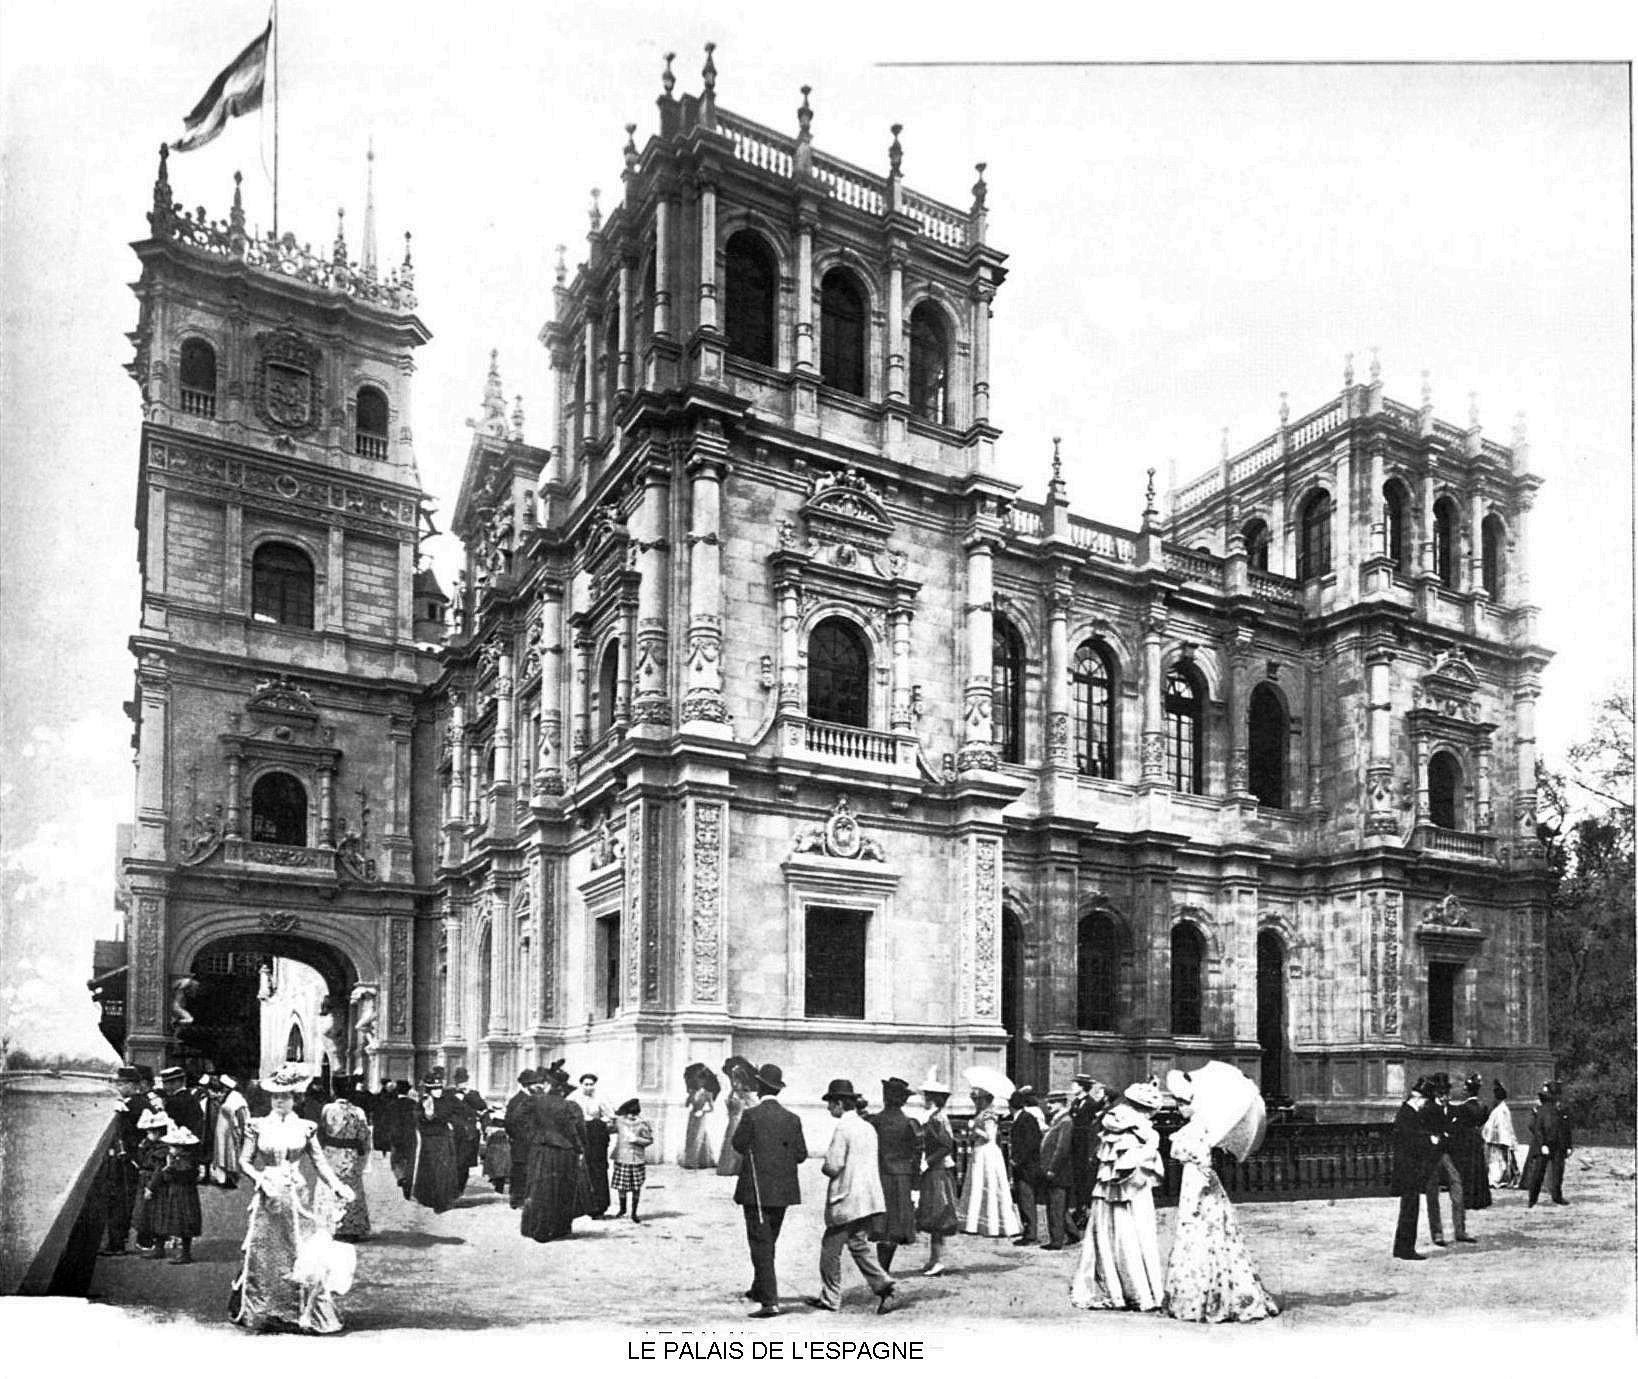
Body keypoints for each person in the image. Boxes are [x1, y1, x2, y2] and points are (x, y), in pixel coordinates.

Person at [231, 1063, 357, 1334]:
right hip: (268, 1196)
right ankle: (264, 1310)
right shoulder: (258, 1125)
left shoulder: (306, 1127)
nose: (280, 1101)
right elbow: (244, 1160)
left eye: (286, 1096)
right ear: (270, 1098)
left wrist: (338, 1186)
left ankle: (302, 1312)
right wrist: (260, 1178)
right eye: (276, 1096)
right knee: (266, 1251)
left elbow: (320, 1162)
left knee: (301, 1252)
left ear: (295, 1099)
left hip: (296, 1194)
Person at [1160, 1065, 1279, 1323]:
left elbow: (1202, 1164)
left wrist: (1195, 1199)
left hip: (1198, 1186)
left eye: (1182, 1103)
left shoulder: (1198, 1127)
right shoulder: (1200, 1125)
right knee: (1208, 1236)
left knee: (1203, 1235)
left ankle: (1207, 1298)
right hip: (1197, 1183)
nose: (1180, 1108)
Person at [1070, 1080, 1166, 1312]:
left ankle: (1119, 1289)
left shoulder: (1113, 1123)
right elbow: (1144, 1171)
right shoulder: (1146, 1134)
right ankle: (1141, 1291)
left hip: (1108, 1191)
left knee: (1108, 1234)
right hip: (1134, 1194)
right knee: (1134, 1235)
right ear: (1147, 1110)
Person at [809, 1078, 897, 1315]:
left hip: (846, 1197)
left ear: (839, 1104)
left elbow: (833, 1166)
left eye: (830, 1103)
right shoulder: (867, 1127)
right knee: (859, 1244)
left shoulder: (843, 1129)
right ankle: (884, 1286)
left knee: (830, 1248)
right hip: (867, 1198)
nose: (829, 1108)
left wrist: (825, 1166)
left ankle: (830, 1297)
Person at [734, 1063, 806, 1318]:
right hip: (783, 1193)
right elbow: (801, 1155)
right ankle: (759, 1287)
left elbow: (738, 1144)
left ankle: (770, 1302)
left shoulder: (751, 1115)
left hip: (756, 1190)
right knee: (768, 1240)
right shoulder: (792, 1119)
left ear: (759, 1087)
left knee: (760, 1243)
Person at [520, 1065, 588, 1241]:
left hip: (540, 1150)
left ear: (548, 1085)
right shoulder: (570, 1106)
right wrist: (580, 1149)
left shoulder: (534, 1101)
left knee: (539, 1189)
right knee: (563, 1189)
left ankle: (536, 1229)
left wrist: (532, 1136)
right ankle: (560, 1228)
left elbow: (517, 1119)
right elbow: (578, 1131)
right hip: (564, 1152)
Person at [866, 1075, 923, 1272]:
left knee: (882, 1225)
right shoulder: (910, 1124)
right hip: (901, 1179)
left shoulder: (874, 1122)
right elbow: (916, 1157)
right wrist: (916, 1186)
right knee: (895, 1227)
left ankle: (882, 1271)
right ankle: (884, 1269)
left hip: (880, 1177)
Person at [960, 1083, 1020, 1238]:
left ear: (986, 1100)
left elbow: (989, 1136)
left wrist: (975, 1128)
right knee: (977, 1184)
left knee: (989, 1184)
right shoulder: (980, 1113)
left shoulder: (989, 1115)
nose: (977, 1102)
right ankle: (973, 1223)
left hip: (988, 1152)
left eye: (979, 1100)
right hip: (979, 1151)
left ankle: (993, 1224)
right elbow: (975, 1137)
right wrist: (972, 1133)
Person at [914, 1074, 960, 1276]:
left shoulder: (936, 1119)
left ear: (931, 1098)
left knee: (937, 1214)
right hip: (938, 1171)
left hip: (937, 1172)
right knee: (935, 1215)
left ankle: (938, 1259)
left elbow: (945, 1145)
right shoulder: (938, 1117)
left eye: (926, 1097)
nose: (924, 1100)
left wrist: (927, 1161)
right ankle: (934, 1258)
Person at [316, 1077, 372, 1241]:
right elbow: (364, 1135)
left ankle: (330, 1225)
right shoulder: (358, 1111)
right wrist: (363, 1153)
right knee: (352, 1186)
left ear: (334, 1090)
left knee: (330, 1186)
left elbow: (322, 1131)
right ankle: (352, 1227)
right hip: (351, 1153)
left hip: (331, 1152)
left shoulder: (327, 1109)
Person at [1422, 1074, 1474, 1245]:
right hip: (1431, 1156)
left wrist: (1443, 1135)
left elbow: (1458, 1133)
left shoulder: (1455, 1111)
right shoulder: (1427, 1111)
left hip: (1450, 1155)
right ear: (1435, 1094)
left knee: (1457, 1190)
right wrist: (1442, 1135)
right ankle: (1437, 1233)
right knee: (1432, 1195)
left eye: (1446, 1093)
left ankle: (1460, 1231)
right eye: (1441, 1094)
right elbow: (1424, 1133)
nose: (1444, 1097)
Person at [1391, 1078, 1440, 1259]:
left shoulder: (1406, 1112)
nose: (1425, 1106)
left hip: (1408, 1168)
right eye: (1426, 1102)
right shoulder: (1408, 1114)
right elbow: (1410, 1140)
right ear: (1419, 1099)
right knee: (1410, 1209)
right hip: (1408, 1169)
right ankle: (1405, 1249)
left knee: (1409, 1208)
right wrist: (1429, 1140)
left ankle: (1401, 1248)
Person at [100, 1068, 147, 1256]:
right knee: (122, 1200)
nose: (118, 1087)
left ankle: (117, 1243)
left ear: (133, 1085)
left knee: (121, 1201)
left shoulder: (136, 1106)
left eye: (122, 1083)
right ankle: (121, 1239)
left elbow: (140, 1135)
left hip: (129, 1159)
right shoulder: (137, 1104)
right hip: (127, 1158)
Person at [144, 1123, 204, 1265]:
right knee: (178, 1221)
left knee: (183, 1222)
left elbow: (172, 1173)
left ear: (180, 1147)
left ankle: (185, 1253)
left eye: (172, 1146)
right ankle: (179, 1251)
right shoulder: (184, 1159)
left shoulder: (185, 1161)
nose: (169, 1149)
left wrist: (168, 1167)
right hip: (180, 1193)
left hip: (183, 1194)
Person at [409, 1072, 460, 1212]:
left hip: (444, 1139)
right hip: (430, 1140)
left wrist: (448, 1122)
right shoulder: (423, 1103)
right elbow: (418, 1119)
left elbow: (453, 1114)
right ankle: (429, 1197)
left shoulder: (446, 1101)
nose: (438, 1091)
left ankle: (443, 1199)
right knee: (430, 1169)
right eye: (435, 1088)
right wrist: (427, 1115)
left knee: (444, 1169)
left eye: (439, 1088)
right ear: (429, 1089)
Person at [1038, 1091, 1083, 1251]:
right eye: (1049, 1102)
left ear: (1062, 1104)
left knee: (1056, 1206)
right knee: (1059, 1207)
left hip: (1059, 1171)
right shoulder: (1059, 1120)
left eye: (1053, 1102)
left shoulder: (1065, 1121)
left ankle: (1056, 1241)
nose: (1049, 1105)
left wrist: (1052, 1169)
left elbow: (1061, 1148)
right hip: (1057, 1170)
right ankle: (1073, 1234)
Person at [128, 1108, 172, 1257]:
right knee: (147, 1213)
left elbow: (159, 1170)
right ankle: (150, 1243)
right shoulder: (152, 1146)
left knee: (156, 1214)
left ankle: (157, 1245)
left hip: (153, 1183)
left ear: (158, 1132)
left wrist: (150, 1187)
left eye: (150, 1132)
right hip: (146, 1179)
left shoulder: (163, 1149)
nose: (147, 1134)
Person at [569, 1072, 614, 1218]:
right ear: (581, 1084)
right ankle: (578, 1207)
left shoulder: (601, 1097)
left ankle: (599, 1207)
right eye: (586, 1084)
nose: (589, 1087)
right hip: (579, 1138)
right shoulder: (573, 1097)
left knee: (597, 1171)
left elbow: (611, 1117)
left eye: (591, 1084)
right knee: (580, 1171)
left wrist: (599, 1121)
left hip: (596, 1139)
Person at [1068, 1075, 1110, 1230]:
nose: (1072, 1087)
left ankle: (1083, 1212)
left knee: (1084, 1180)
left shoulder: (1091, 1104)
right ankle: (1079, 1210)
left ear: (1082, 1086)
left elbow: (1090, 1128)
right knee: (1077, 1179)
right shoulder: (1076, 1102)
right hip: (1076, 1146)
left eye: (1075, 1084)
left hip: (1084, 1147)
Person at [1522, 1081, 1572, 1207]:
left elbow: (1567, 1129)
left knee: (1558, 1172)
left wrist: (1568, 1146)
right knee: (1538, 1173)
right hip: (1544, 1145)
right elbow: (1537, 1128)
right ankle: (1532, 1199)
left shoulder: (1562, 1110)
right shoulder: (1541, 1110)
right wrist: (1542, 1144)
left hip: (1559, 1145)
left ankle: (1557, 1196)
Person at [1448, 1073, 1493, 1211]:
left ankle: (1469, 1200)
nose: (1463, 1091)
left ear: (1468, 1091)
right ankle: (1481, 1199)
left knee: (1467, 1170)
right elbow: (1483, 1121)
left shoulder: (1462, 1108)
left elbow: (1456, 1125)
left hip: (1465, 1140)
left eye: (1465, 1089)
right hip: (1476, 1139)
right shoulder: (1482, 1106)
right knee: (1478, 1168)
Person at [1008, 1087, 1047, 1246]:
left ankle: (1030, 1234)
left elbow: (1031, 1143)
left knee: (1026, 1199)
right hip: (1024, 1166)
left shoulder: (1026, 1119)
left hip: (1027, 1167)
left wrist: (1017, 1160)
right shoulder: (1024, 1117)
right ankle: (1028, 1230)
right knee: (1024, 1199)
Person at [612, 1097, 656, 1222]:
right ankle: (622, 1209)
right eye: (628, 1114)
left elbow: (649, 1140)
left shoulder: (643, 1124)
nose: (631, 1117)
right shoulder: (620, 1122)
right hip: (622, 1159)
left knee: (636, 1187)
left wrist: (637, 1140)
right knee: (622, 1186)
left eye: (634, 1114)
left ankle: (634, 1213)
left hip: (637, 1160)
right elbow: (610, 1128)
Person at [716, 1056, 760, 1178]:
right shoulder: (737, 1088)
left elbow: (752, 1103)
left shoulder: (745, 1089)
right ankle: (733, 1165)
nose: (733, 1081)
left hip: (740, 1116)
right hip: (735, 1116)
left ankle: (735, 1165)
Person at [503, 1069, 541, 1207]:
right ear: (527, 1084)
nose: (538, 1086)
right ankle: (517, 1199)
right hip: (521, 1142)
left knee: (531, 1170)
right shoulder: (517, 1100)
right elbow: (509, 1123)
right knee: (519, 1170)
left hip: (533, 1141)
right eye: (535, 1083)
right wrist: (520, 1137)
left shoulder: (536, 1099)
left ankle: (528, 1197)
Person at [447, 1068, 484, 1193]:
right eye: (460, 1081)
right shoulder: (449, 1094)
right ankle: (453, 1188)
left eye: (465, 1081)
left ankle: (460, 1188)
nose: (463, 1084)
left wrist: (468, 1095)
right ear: (456, 1082)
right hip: (455, 1132)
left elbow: (482, 1106)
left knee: (465, 1163)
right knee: (454, 1161)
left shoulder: (473, 1094)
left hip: (469, 1134)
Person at [212, 1074, 249, 1189]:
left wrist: (241, 1130)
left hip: (231, 1132)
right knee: (222, 1154)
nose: (223, 1090)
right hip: (222, 1132)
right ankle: (224, 1178)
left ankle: (232, 1178)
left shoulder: (236, 1099)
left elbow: (242, 1116)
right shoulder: (226, 1098)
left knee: (231, 1155)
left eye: (224, 1087)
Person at [680, 1063, 721, 1169]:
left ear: (704, 1081)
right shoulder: (693, 1092)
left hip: (701, 1116)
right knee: (691, 1137)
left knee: (698, 1137)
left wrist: (703, 1111)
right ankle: (695, 1159)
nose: (698, 1082)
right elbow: (687, 1105)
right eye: (696, 1080)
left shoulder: (708, 1094)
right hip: (692, 1116)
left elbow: (711, 1108)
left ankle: (693, 1161)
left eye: (699, 1080)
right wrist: (690, 1096)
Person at [1483, 1080, 1520, 1188]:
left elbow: (1502, 1127)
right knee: (1498, 1159)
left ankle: (1504, 1179)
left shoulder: (1501, 1110)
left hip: (1501, 1140)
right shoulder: (1499, 1109)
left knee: (1503, 1159)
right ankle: (1501, 1178)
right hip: (1498, 1139)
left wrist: (1503, 1140)